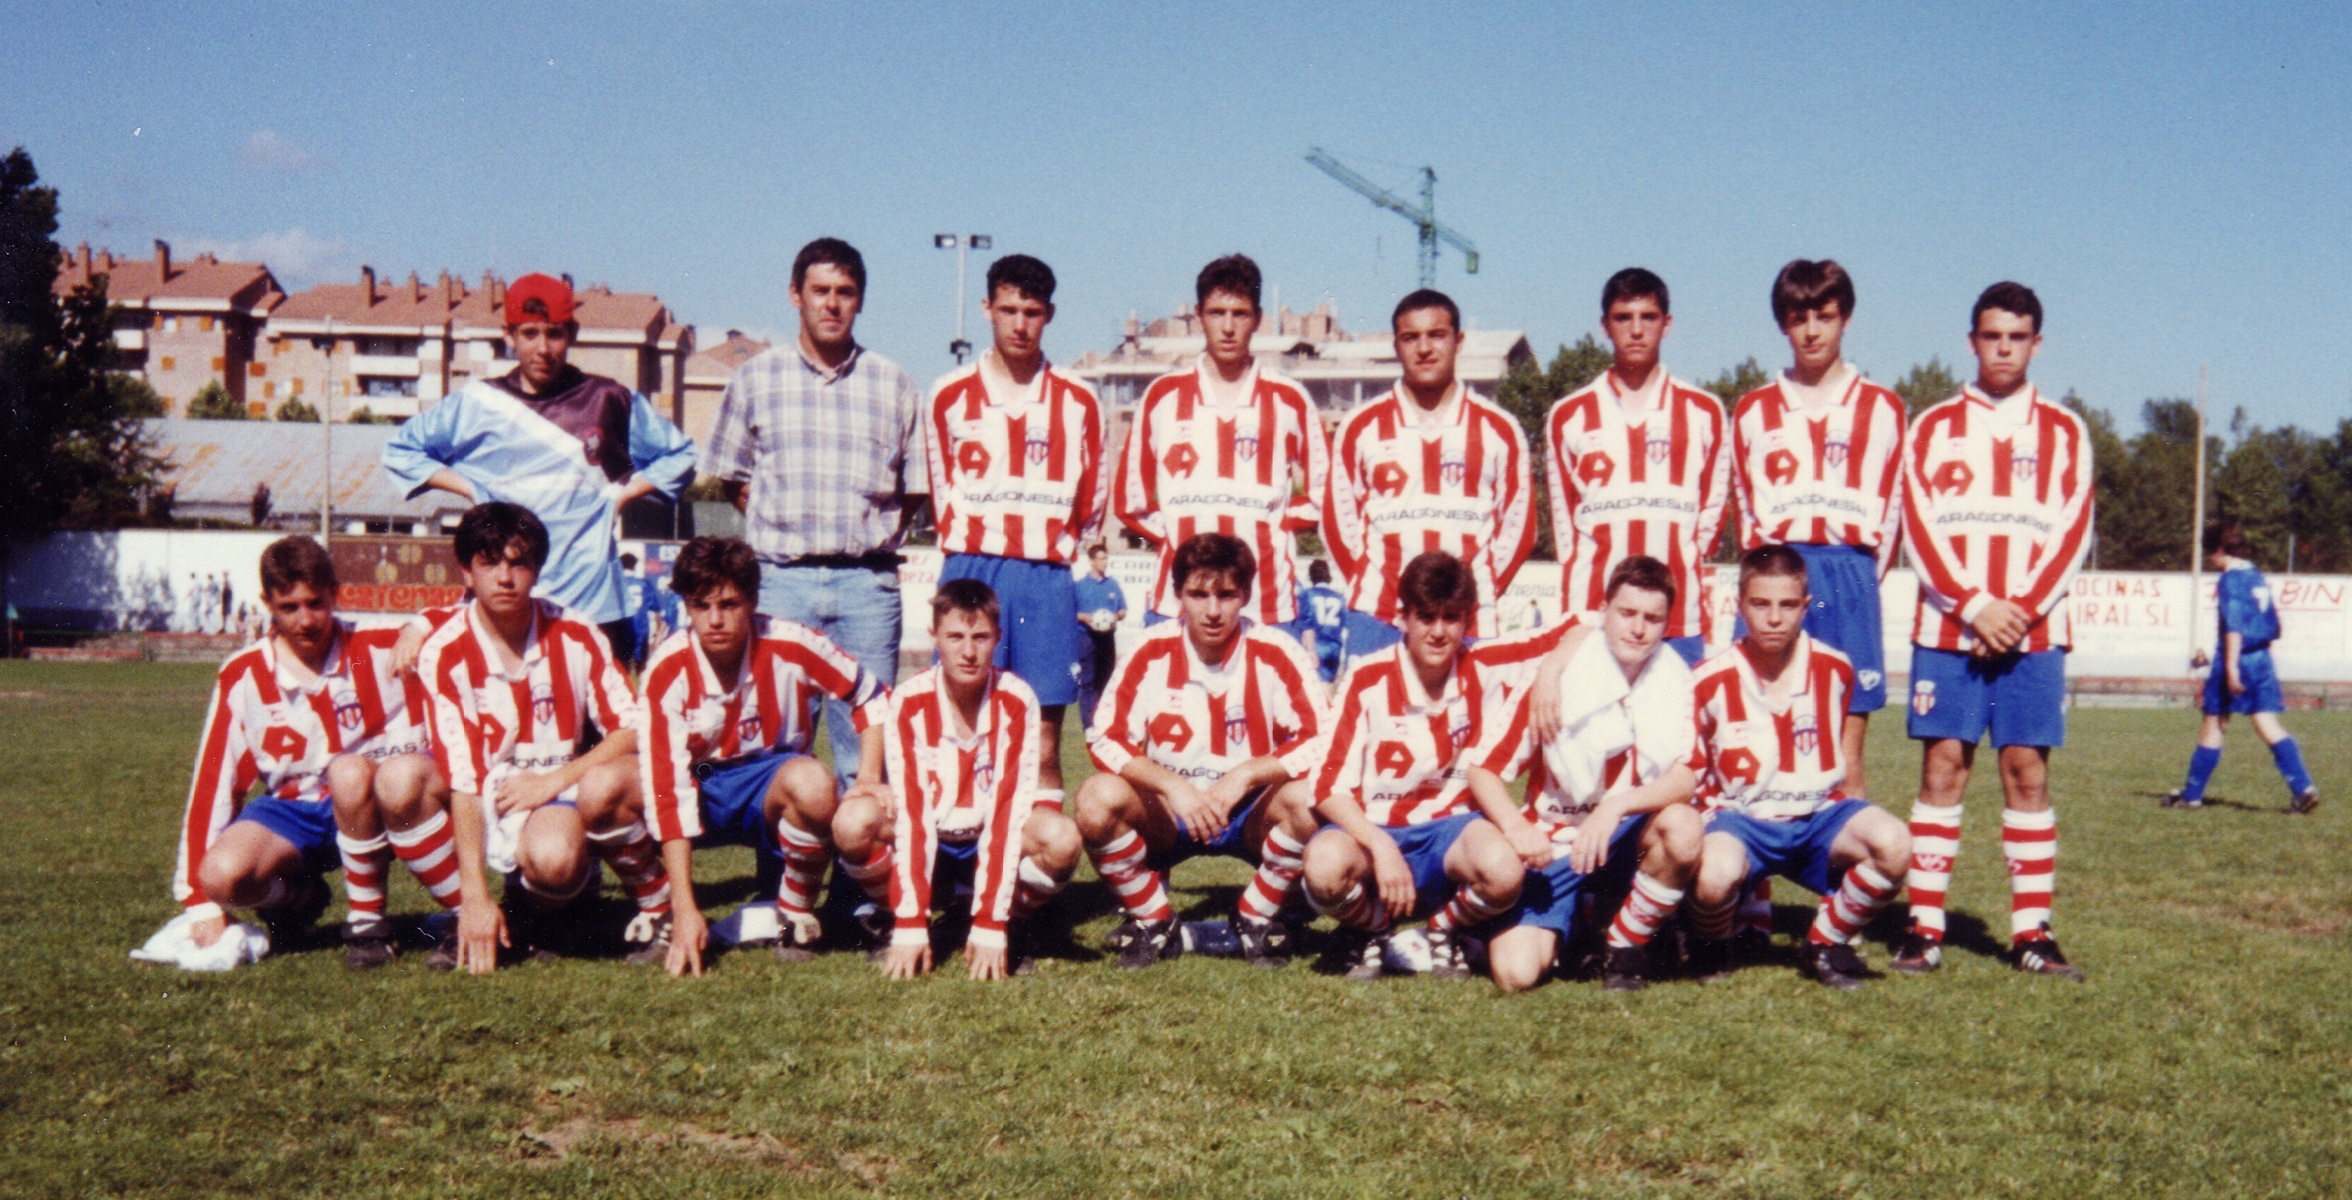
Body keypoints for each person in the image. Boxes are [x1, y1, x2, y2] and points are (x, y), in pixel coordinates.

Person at [1895, 282, 2093, 981]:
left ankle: (2032, 932)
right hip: (1949, 626)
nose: (2003, 348)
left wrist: (2017, 612)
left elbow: (2073, 532)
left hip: (2033, 631)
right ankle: (1923, 927)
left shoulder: (2065, 430)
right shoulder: (1932, 426)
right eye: (1991, 336)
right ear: (1972, 341)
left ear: (2037, 343)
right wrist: (1976, 605)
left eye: (2016, 337)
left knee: (2026, 771)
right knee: (1944, 765)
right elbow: (1917, 527)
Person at [164, 535, 464, 970]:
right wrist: (201, 903)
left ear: (334, 594)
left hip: (383, 800)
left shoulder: (378, 644)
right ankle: (301, 899)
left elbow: (472, 618)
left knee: (351, 773)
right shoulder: (244, 675)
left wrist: (420, 627)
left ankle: (423, 917)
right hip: (301, 812)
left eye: (315, 603)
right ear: (267, 603)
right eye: (289, 607)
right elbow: (213, 784)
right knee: (221, 877)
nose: (305, 620)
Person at [701, 238, 929, 785]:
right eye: (819, 290)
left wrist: (871, 533)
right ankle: (779, 848)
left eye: (844, 292)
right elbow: (730, 474)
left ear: (860, 300)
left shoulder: (893, 382)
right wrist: (780, 521)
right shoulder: (756, 377)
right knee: (776, 748)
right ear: (794, 295)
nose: (831, 303)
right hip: (782, 582)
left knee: (865, 759)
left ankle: (861, 844)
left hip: (866, 587)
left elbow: (917, 486)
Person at [384, 272, 696, 669]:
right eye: (529, 334)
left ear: (573, 334)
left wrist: (620, 496)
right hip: (508, 602)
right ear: (509, 335)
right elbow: (400, 451)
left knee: (604, 710)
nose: (543, 348)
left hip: (593, 603)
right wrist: (473, 489)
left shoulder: (608, 399)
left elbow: (681, 456)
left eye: (554, 334)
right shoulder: (478, 402)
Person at [415, 503, 670, 973]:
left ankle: (530, 914)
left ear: (537, 569)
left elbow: (633, 728)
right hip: (481, 793)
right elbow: (465, 780)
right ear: (467, 572)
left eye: (519, 563)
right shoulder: (445, 651)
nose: (505, 577)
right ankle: (466, 914)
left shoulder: (576, 633)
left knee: (554, 859)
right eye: (490, 563)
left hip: (555, 792)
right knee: (402, 782)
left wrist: (553, 781)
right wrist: (474, 894)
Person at [636, 537, 895, 976]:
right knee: (609, 786)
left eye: (729, 604)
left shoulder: (791, 642)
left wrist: (868, 776)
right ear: (686, 606)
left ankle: (794, 917)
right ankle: (663, 914)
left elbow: (869, 694)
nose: (715, 620)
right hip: (701, 778)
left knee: (814, 783)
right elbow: (667, 792)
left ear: (753, 601)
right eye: (701, 606)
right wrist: (685, 905)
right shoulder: (666, 667)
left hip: (769, 781)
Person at [1077, 533, 1329, 968]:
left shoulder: (1276, 651)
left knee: (1311, 799)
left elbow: (1323, 736)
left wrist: (1246, 775)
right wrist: (1173, 787)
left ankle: (1255, 916)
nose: (1213, 610)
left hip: (1250, 811)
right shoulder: (1150, 649)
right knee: (1095, 799)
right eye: (1198, 594)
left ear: (1245, 595)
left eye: (1226, 595)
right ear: (1178, 595)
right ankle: (1154, 920)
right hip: (1170, 812)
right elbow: (1105, 735)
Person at [1466, 556, 1703, 993]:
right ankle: (1586, 919)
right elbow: (1483, 769)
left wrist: (1615, 807)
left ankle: (1625, 944)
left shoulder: (1675, 678)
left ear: (1666, 624)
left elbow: (1686, 778)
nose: (1638, 629)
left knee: (1683, 827)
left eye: (1652, 619)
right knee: (1515, 974)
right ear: (1603, 611)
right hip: (1558, 842)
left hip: (1628, 839)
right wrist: (1516, 828)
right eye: (1627, 613)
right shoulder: (1554, 678)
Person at [1682, 546, 1913, 990]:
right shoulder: (1708, 678)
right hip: (1742, 822)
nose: (1774, 618)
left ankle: (1824, 942)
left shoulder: (1835, 668)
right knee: (1714, 877)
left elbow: (1840, 755)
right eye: (1761, 604)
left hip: (1816, 818)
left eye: (1788, 605)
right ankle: (1711, 941)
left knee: (1895, 844)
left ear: (1805, 607)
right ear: (1740, 605)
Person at [833, 580, 1084, 981]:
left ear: (998, 638)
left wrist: (990, 922)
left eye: (980, 637)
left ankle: (1010, 922)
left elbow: (1006, 816)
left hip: (987, 835)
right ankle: (896, 917)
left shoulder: (1017, 700)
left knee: (1062, 838)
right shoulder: (909, 700)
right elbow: (913, 816)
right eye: (955, 637)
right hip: (931, 835)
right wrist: (911, 922)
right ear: (934, 636)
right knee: (852, 822)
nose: (968, 652)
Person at [924, 254, 1109, 799]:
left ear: (1049, 314)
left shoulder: (1079, 400)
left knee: (1042, 740)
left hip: (1044, 577)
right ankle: (959, 847)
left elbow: (1092, 500)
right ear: (987, 309)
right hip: (972, 570)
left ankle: (1040, 852)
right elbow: (941, 489)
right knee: (958, 729)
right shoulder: (949, 394)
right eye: (1008, 310)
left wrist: (1045, 540)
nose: (1020, 324)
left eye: (1031, 312)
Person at [1300, 552, 1527, 980]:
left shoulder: (1484, 669)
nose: (1439, 631)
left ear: (1467, 621)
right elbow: (1326, 786)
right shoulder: (1367, 678)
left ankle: (1441, 929)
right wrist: (1381, 847)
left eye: (1451, 618)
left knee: (1505, 872)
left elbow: (1568, 634)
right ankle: (1374, 931)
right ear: (1403, 617)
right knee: (1323, 867)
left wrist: (1550, 676)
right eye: (1426, 617)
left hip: (1450, 830)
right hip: (1375, 828)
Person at [1728, 260, 1907, 801]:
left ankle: (1845, 857)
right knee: (1760, 744)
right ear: (1783, 323)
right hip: (1778, 578)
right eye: (1798, 318)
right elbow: (1746, 510)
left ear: (1845, 319)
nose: (1811, 331)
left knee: (1845, 755)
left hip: (1848, 576)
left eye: (1824, 317)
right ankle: (1753, 858)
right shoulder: (1754, 410)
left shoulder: (1883, 408)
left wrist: (1858, 578)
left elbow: (1892, 511)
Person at [1112, 254, 1329, 639]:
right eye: (1217, 313)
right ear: (1199, 316)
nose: (1228, 327)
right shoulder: (1163, 396)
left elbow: (1324, 493)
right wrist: (1182, 528)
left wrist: (1272, 522)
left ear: (1257, 319)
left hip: (1267, 605)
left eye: (1240, 314)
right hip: (1176, 605)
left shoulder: (1289, 398)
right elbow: (1131, 500)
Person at [1324, 290, 1534, 667]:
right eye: (1410, 337)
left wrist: (1472, 592)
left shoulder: (1499, 429)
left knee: (1471, 708)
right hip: (1378, 616)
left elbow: (1519, 530)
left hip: (1468, 618)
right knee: (1375, 707)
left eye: (1436, 335)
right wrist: (1375, 584)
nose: (1424, 348)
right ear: (1396, 345)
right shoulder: (1361, 426)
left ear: (1458, 341)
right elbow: (1339, 525)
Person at [1545, 268, 1729, 666]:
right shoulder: (1569, 414)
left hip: (1677, 615)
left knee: (1676, 709)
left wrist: (1681, 555)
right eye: (1623, 318)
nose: (1636, 330)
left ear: (1667, 324)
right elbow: (1564, 522)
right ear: (1604, 326)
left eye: (1648, 317)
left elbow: (1713, 511)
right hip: (1592, 613)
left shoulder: (1703, 411)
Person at [2166, 522, 2319, 813]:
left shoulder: (2230, 579)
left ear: (2219, 549)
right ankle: (2303, 788)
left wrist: (2232, 667)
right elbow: (2273, 625)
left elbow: (2234, 625)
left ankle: (2192, 796)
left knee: (2214, 722)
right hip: (2262, 659)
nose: (2209, 558)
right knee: (2267, 723)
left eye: (2209, 551)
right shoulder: (2255, 575)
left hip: (2237, 659)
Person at [1073, 543, 1127, 726]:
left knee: (1106, 681)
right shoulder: (1080, 586)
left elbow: (1123, 610)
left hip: (1107, 638)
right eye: (1101, 559)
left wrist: (1115, 616)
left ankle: (1104, 723)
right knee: (1088, 682)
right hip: (1086, 638)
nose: (1105, 562)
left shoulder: (1112, 585)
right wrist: (1085, 617)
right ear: (1091, 561)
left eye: (1106, 559)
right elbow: (1070, 612)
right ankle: (1090, 725)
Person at [1296, 559, 1347, 683]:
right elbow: (1345, 624)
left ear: (1311, 576)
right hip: (1335, 647)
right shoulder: (1340, 598)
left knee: (1315, 687)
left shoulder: (1307, 595)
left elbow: (1306, 624)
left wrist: (1309, 649)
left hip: (1316, 646)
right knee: (1328, 686)